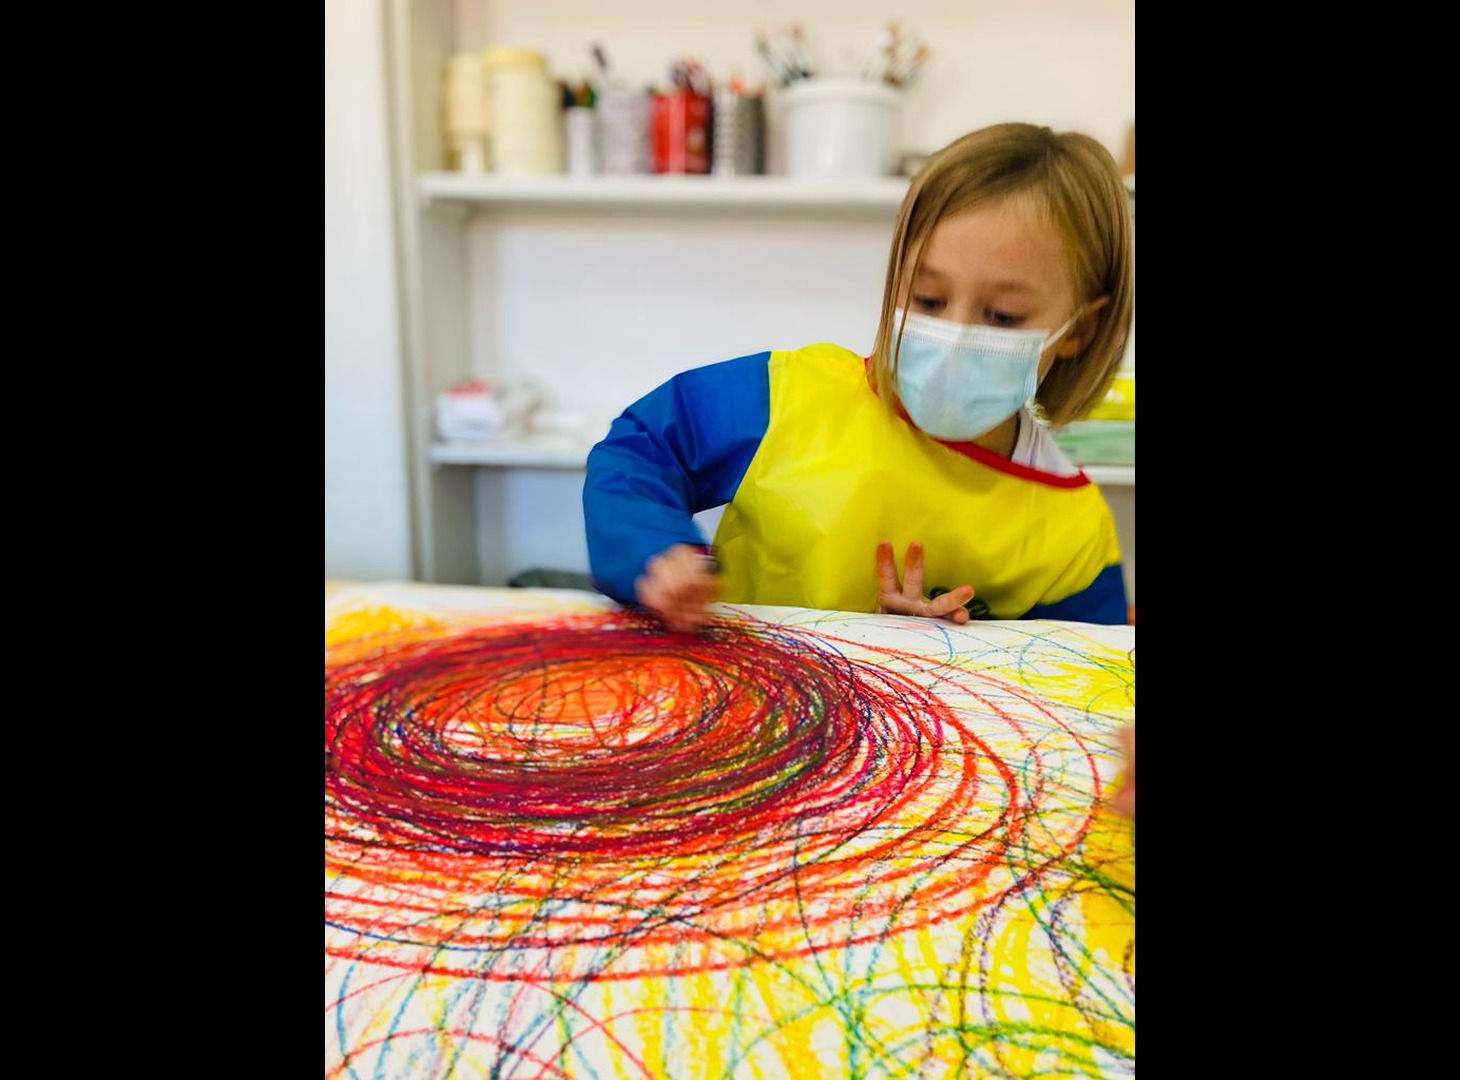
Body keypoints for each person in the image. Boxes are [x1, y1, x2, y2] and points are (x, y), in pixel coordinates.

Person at [584, 122, 1133, 632]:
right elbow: (642, 448)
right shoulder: (790, 395)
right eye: (928, 299)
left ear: (1080, 330)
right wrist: (655, 550)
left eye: (1003, 316)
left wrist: (944, 648)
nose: (954, 335)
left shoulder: (1071, 531)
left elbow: (1079, 676)